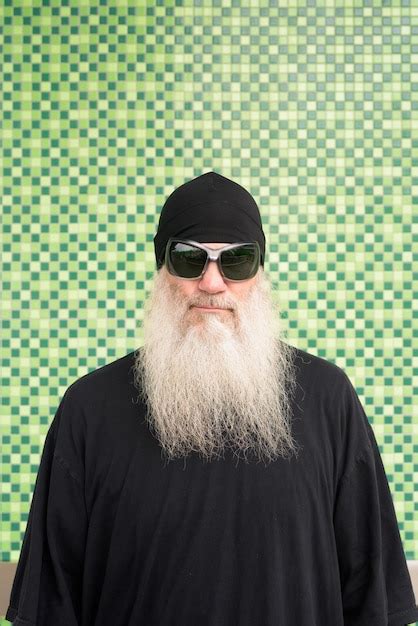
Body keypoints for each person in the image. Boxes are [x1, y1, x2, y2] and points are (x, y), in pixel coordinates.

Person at [5, 171, 418, 625]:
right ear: (162, 269)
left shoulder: (328, 401)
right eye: (189, 259)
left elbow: (372, 598)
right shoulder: (89, 409)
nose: (212, 282)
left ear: (259, 273)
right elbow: (52, 604)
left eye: (236, 261)